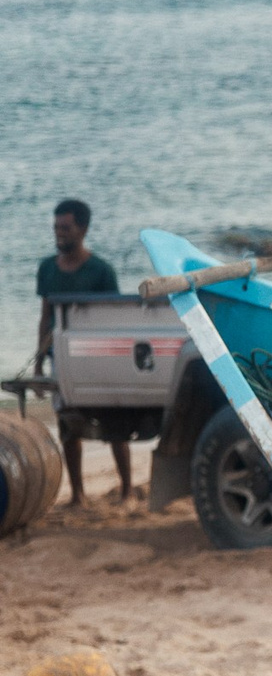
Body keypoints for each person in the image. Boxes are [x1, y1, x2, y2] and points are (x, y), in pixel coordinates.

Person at [33, 198, 134, 505]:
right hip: (60, 359)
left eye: (65, 228)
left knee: (114, 423)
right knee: (68, 425)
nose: (59, 234)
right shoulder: (47, 269)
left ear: (83, 229)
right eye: (56, 228)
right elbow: (45, 317)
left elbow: (113, 318)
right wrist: (38, 363)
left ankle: (128, 490)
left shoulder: (101, 271)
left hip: (97, 357)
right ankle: (78, 494)